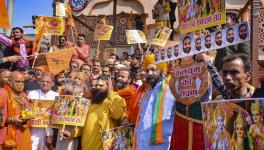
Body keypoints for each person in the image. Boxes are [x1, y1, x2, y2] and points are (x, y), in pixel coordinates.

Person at [65, 75, 126, 150]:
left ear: (109, 86)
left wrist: (110, 92)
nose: (97, 87)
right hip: (87, 143)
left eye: (101, 85)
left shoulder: (115, 98)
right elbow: (83, 123)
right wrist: (72, 134)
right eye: (96, 85)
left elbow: (117, 115)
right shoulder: (91, 101)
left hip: (103, 143)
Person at [134, 54, 175, 149]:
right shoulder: (147, 93)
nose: (149, 73)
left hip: (162, 145)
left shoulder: (171, 89)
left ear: (161, 70)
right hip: (142, 144)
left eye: (153, 69)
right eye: (147, 70)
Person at [56, 72, 89, 150]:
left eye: (79, 79)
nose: (76, 80)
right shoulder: (64, 94)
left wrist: (74, 133)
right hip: (62, 129)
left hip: (76, 132)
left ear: (84, 84)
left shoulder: (87, 97)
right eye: (75, 78)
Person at [28, 72, 59, 150]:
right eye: (43, 81)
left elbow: (56, 116)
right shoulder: (32, 94)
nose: (45, 83)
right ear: (39, 82)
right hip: (33, 129)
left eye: (47, 82)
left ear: (52, 83)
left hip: (48, 128)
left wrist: (50, 133)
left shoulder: (56, 96)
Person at [1, 71, 32, 150]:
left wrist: (29, 115)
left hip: (23, 135)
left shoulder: (24, 95)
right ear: (10, 82)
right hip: (8, 137)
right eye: (18, 81)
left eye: (23, 82)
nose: (21, 84)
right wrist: (10, 119)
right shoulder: (2, 93)